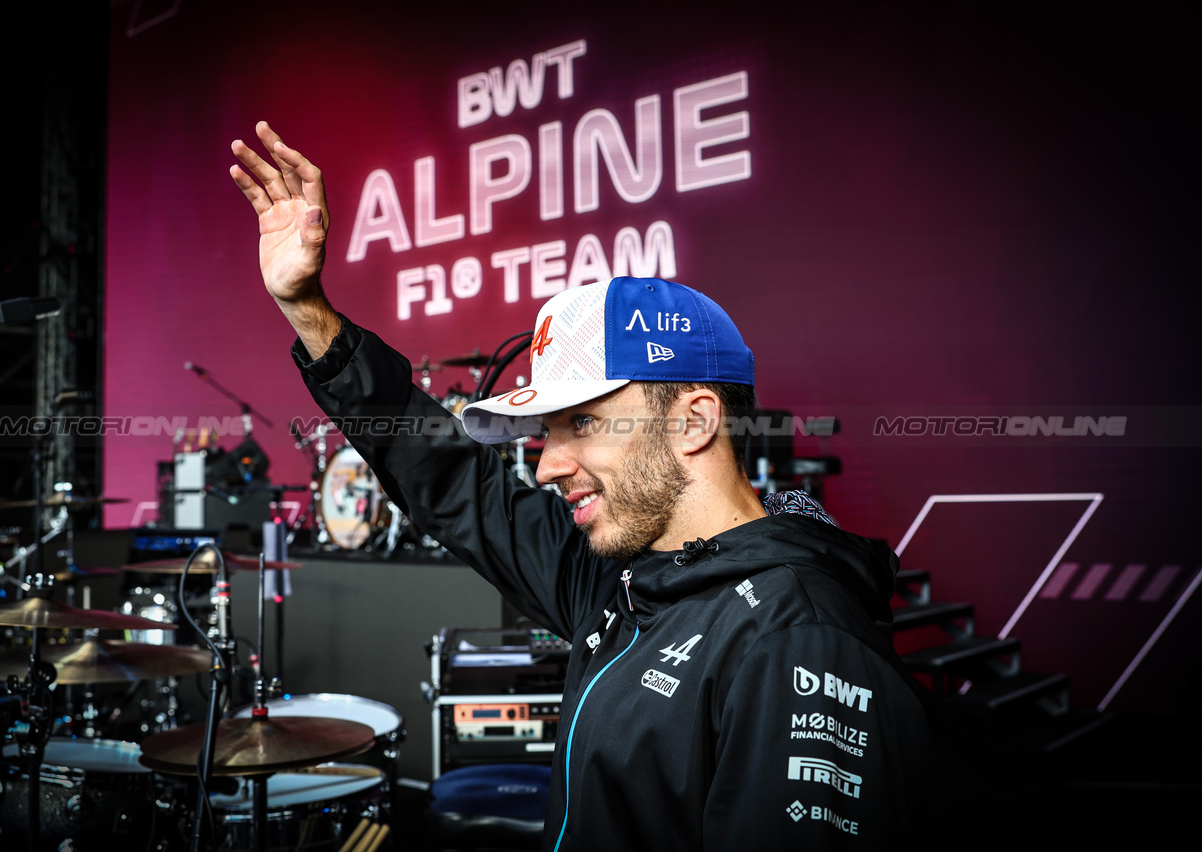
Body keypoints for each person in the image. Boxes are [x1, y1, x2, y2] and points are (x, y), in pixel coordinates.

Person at [231, 121, 929, 850]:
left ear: (693, 422)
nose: (545, 465)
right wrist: (308, 310)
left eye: (583, 423)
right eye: (546, 432)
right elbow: (450, 478)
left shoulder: (799, 638)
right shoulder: (622, 576)